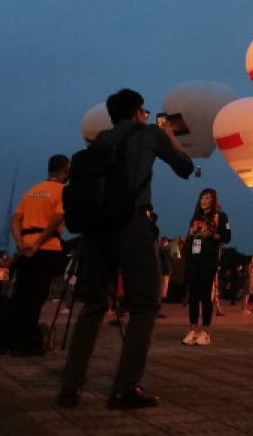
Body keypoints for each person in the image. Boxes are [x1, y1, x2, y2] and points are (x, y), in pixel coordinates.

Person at [58, 88, 195, 410]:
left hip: (95, 232)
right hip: (133, 227)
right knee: (144, 306)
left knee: (93, 305)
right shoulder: (148, 135)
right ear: (137, 112)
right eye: (144, 111)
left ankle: (70, 386)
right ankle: (125, 387)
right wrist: (170, 137)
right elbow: (185, 168)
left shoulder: (99, 141)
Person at [8, 154, 70, 355]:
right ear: (65, 169)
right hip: (47, 248)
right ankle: (26, 342)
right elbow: (57, 217)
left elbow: (15, 219)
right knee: (37, 296)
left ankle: (16, 337)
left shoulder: (32, 191)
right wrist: (39, 242)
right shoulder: (62, 191)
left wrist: (20, 242)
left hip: (25, 248)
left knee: (22, 295)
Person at [182, 188, 229, 346]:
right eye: (202, 197)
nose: (204, 201)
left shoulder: (220, 216)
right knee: (193, 296)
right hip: (194, 259)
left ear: (214, 200)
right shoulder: (196, 216)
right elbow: (190, 236)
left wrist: (212, 235)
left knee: (205, 296)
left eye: (208, 198)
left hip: (208, 260)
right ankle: (192, 331)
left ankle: (206, 332)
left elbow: (227, 236)